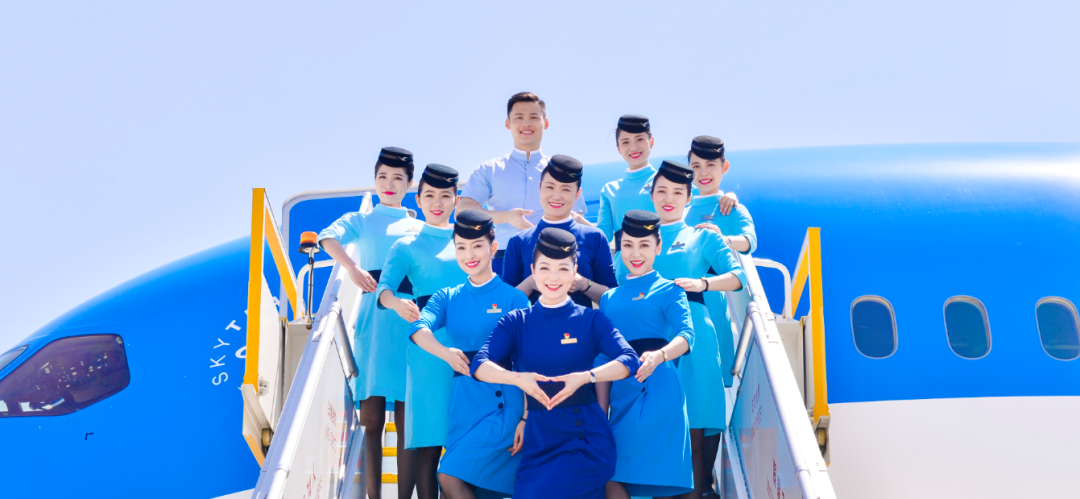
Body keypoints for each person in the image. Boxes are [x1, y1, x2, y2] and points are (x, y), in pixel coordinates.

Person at [471, 228, 641, 499]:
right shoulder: (516, 321)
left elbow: (629, 360)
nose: (553, 277)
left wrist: (587, 377)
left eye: (563, 269)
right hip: (538, 439)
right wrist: (517, 378)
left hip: (583, 437)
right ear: (533, 271)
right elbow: (479, 365)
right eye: (545, 268)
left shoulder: (591, 319)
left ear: (574, 272)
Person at [613, 160, 747, 499]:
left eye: (677, 192)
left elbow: (738, 277)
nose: (668, 198)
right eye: (661, 191)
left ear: (690, 198)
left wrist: (703, 283)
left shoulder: (702, 236)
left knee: (696, 430)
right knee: (651, 432)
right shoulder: (632, 244)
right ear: (651, 196)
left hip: (694, 338)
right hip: (646, 341)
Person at [317, 146, 424, 499]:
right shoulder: (361, 220)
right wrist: (352, 268)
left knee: (408, 421)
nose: (389, 184)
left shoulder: (420, 227)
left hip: (410, 318)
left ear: (409, 184)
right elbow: (327, 237)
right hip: (374, 319)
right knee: (372, 418)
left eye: (397, 178)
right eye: (382, 177)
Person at [407, 210, 532, 499]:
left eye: (477, 246)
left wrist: (527, 418)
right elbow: (417, 329)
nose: (469, 255)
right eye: (461, 247)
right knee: (463, 487)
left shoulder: (514, 298)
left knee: (449, 476)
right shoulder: (447, 296)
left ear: (493, 247)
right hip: (463, 405)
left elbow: (528, 359)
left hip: (503, 404)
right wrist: (445, 353)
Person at [375, 164, 466, 499]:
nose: (437, 203)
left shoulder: (468, 239)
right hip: (428, 349)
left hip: (470, 343)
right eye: (429, 196)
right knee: (428, 445)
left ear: (456, 199)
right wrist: (397, 303)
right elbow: (383, 289)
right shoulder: (406, 245)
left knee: (464, 442)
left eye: (445, 196)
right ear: (418, 199)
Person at [601, 210, 695, 499]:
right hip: (621, 392)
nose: (635, 253)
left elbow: (686, 336)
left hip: (659, 389)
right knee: (609, 475)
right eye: (628, 245)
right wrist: (600, 413)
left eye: (644, 245)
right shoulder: (607, 298)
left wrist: (658, 356)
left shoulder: (670, 289)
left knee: (658, 478)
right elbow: (602, 358)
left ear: (658, 247)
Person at [458, 92, 587, 274]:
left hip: (555, 258)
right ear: (508, 123)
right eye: (519, 117)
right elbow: (463, 211)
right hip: (502, 257)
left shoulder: (561, 170)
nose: (526, 123)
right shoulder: (489, 169)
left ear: (546, 123)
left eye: (533, 117)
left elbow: (576, 219)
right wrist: (506, 217)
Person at [592, 115, 737, 243]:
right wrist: (580, 226)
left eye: (640, 139)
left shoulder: (671, 181)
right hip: (624, 263)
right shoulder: (609, 190)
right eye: (625, 142)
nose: (633, 147)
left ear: (652, 142)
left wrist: (729, 196)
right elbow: (603, 234)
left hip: (667, 260)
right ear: (618, 148)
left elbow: (706, 198)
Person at [685, 136, 757, 388]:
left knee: (714, 373)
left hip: (712, 296)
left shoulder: (731, 209)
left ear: (724, 167)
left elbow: (749, 241)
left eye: (710, 165)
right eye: (696, 166)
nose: (703, 173)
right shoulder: (682, 210)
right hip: (680, 297)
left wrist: (722, 239)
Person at [501, 154, 618, 307]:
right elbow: (505, 303)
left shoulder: (595, 237)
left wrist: (584, 284)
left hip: (581, 322)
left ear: (577, 194)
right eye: (550, 187)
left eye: (566, 189)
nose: (556, 196)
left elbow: (613, 298)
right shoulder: (519, 241)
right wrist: (530, 283)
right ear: (540, 188)